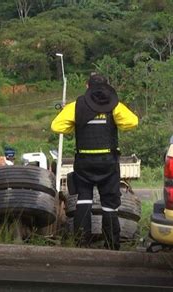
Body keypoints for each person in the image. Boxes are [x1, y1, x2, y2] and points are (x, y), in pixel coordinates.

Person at [51, 73, 138, 250]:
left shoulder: (76, 107)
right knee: (109, 204)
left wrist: (74, 124)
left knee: (83, 200)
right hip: (108, 162)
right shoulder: (115, 106)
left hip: (84, 161)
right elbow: (133, 122)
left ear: (86, 86)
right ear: (106, 87)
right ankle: (112, 245)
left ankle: (82, 243)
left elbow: (56, 126)